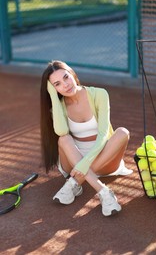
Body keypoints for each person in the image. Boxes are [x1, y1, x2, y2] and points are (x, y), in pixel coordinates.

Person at [40, 60, 133, 217]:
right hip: (74, 160)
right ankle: (103, 191)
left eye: (66, 77)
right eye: (57, 84)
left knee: (123, 132)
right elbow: (62, 131)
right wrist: (54, 99)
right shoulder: (58, 106)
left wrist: (85, 164)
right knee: (63, 139)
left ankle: (75, 183)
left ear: (73, 74)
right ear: (53, 89)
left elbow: (103, 135)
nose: (65, 85)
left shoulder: (99, 94)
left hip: (104, 158)